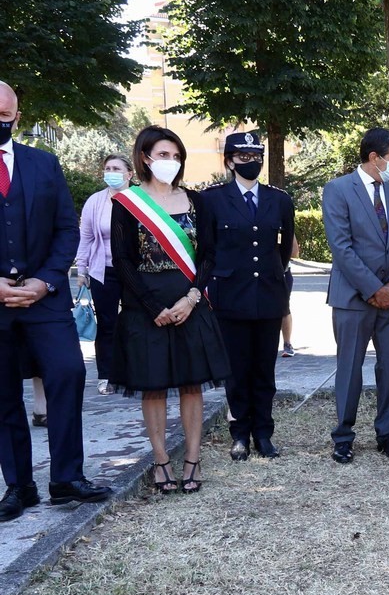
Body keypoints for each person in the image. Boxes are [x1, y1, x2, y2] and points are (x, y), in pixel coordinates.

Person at [0, 81, 113, 522]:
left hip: (46, 300)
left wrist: (46, 281)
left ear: (17, 117)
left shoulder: (44, 164)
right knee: (4, 394)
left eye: (5, 116)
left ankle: (66, 478)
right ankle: (19, 486)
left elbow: (68, 229)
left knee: (67, 374)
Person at [109, 125, 231, 494]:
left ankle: (192, 460)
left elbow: (209, 255)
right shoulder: (127, 203)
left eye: (176, 156)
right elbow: (122, 260)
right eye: (163, 155)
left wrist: (191, 297)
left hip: (190, 304)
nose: (171, 162)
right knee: (154, 387)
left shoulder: (196, 201)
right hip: (145, 307)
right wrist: (152, 306)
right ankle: (161, 462)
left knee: (192, 385)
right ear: (145, 158)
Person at [201, 131, 294, 461]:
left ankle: (264, 434)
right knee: (237, 371)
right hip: (231, 297)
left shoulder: (279, 200)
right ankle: (239, 433)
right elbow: (207, 249)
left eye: (256, 158)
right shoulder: (211, 200)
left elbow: (283, 250)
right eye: (243, 158)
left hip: (268, 296)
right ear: (229, 161)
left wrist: (273, 278)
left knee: (264, 370)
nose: (251, 163)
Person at [322, 127, 389, 464]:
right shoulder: (338, 190)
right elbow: (341, 247)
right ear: (374, 158)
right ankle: (343, 436)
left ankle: (387, 434)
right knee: (350, 368)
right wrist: (374, 289)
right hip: (352, 299)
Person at [76, 154, 133, 395]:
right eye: (108, 168)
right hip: (103, 270)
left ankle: (135, 373)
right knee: (107, 324)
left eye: (117, 168)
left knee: (135, 323)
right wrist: (82, 268)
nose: (111, 172)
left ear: (130, 174)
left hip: (134, 271)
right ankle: (106, 376)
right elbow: (86, 237)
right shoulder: (95, 201)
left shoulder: (140, 199)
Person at [280, 234, 300, 357]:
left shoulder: (283, 223)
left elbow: (294, 252)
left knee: (284, 309)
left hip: (282, 272)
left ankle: (287, 344)